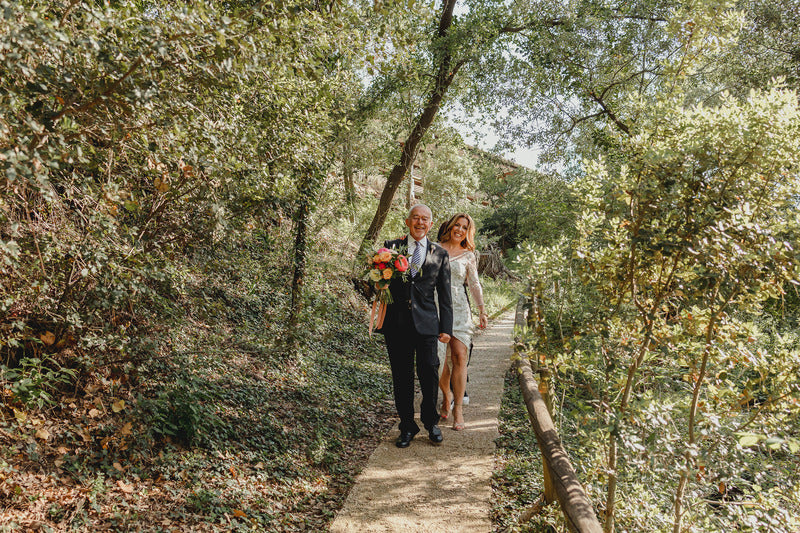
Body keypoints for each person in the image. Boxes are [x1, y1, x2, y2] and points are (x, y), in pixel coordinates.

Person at [376, 204, 453, 448]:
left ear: (431, 224)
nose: (420, 223)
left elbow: (445, 295)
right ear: (408, 222)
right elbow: (378, 282)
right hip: (396, 325)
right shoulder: (390, 247)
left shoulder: (439, 254)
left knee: (430, 374)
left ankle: (431, 423)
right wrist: (378, 281)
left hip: (428, 325)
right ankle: (407, 426)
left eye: (425, 219)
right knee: (402, 377)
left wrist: (446, 328)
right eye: (416, 218)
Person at [437, 213, 487, 430]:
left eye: (464, 227)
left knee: (459, 357)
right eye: (457, 225)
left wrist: (482, 310)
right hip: (436, 308)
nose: (459, 230)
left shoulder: (469, 255)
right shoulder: (434, 248)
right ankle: (446, 394)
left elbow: (474, 285)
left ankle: (458, 408)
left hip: (460, 309)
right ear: (450, 226)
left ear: (468, 232)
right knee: (437, 361)